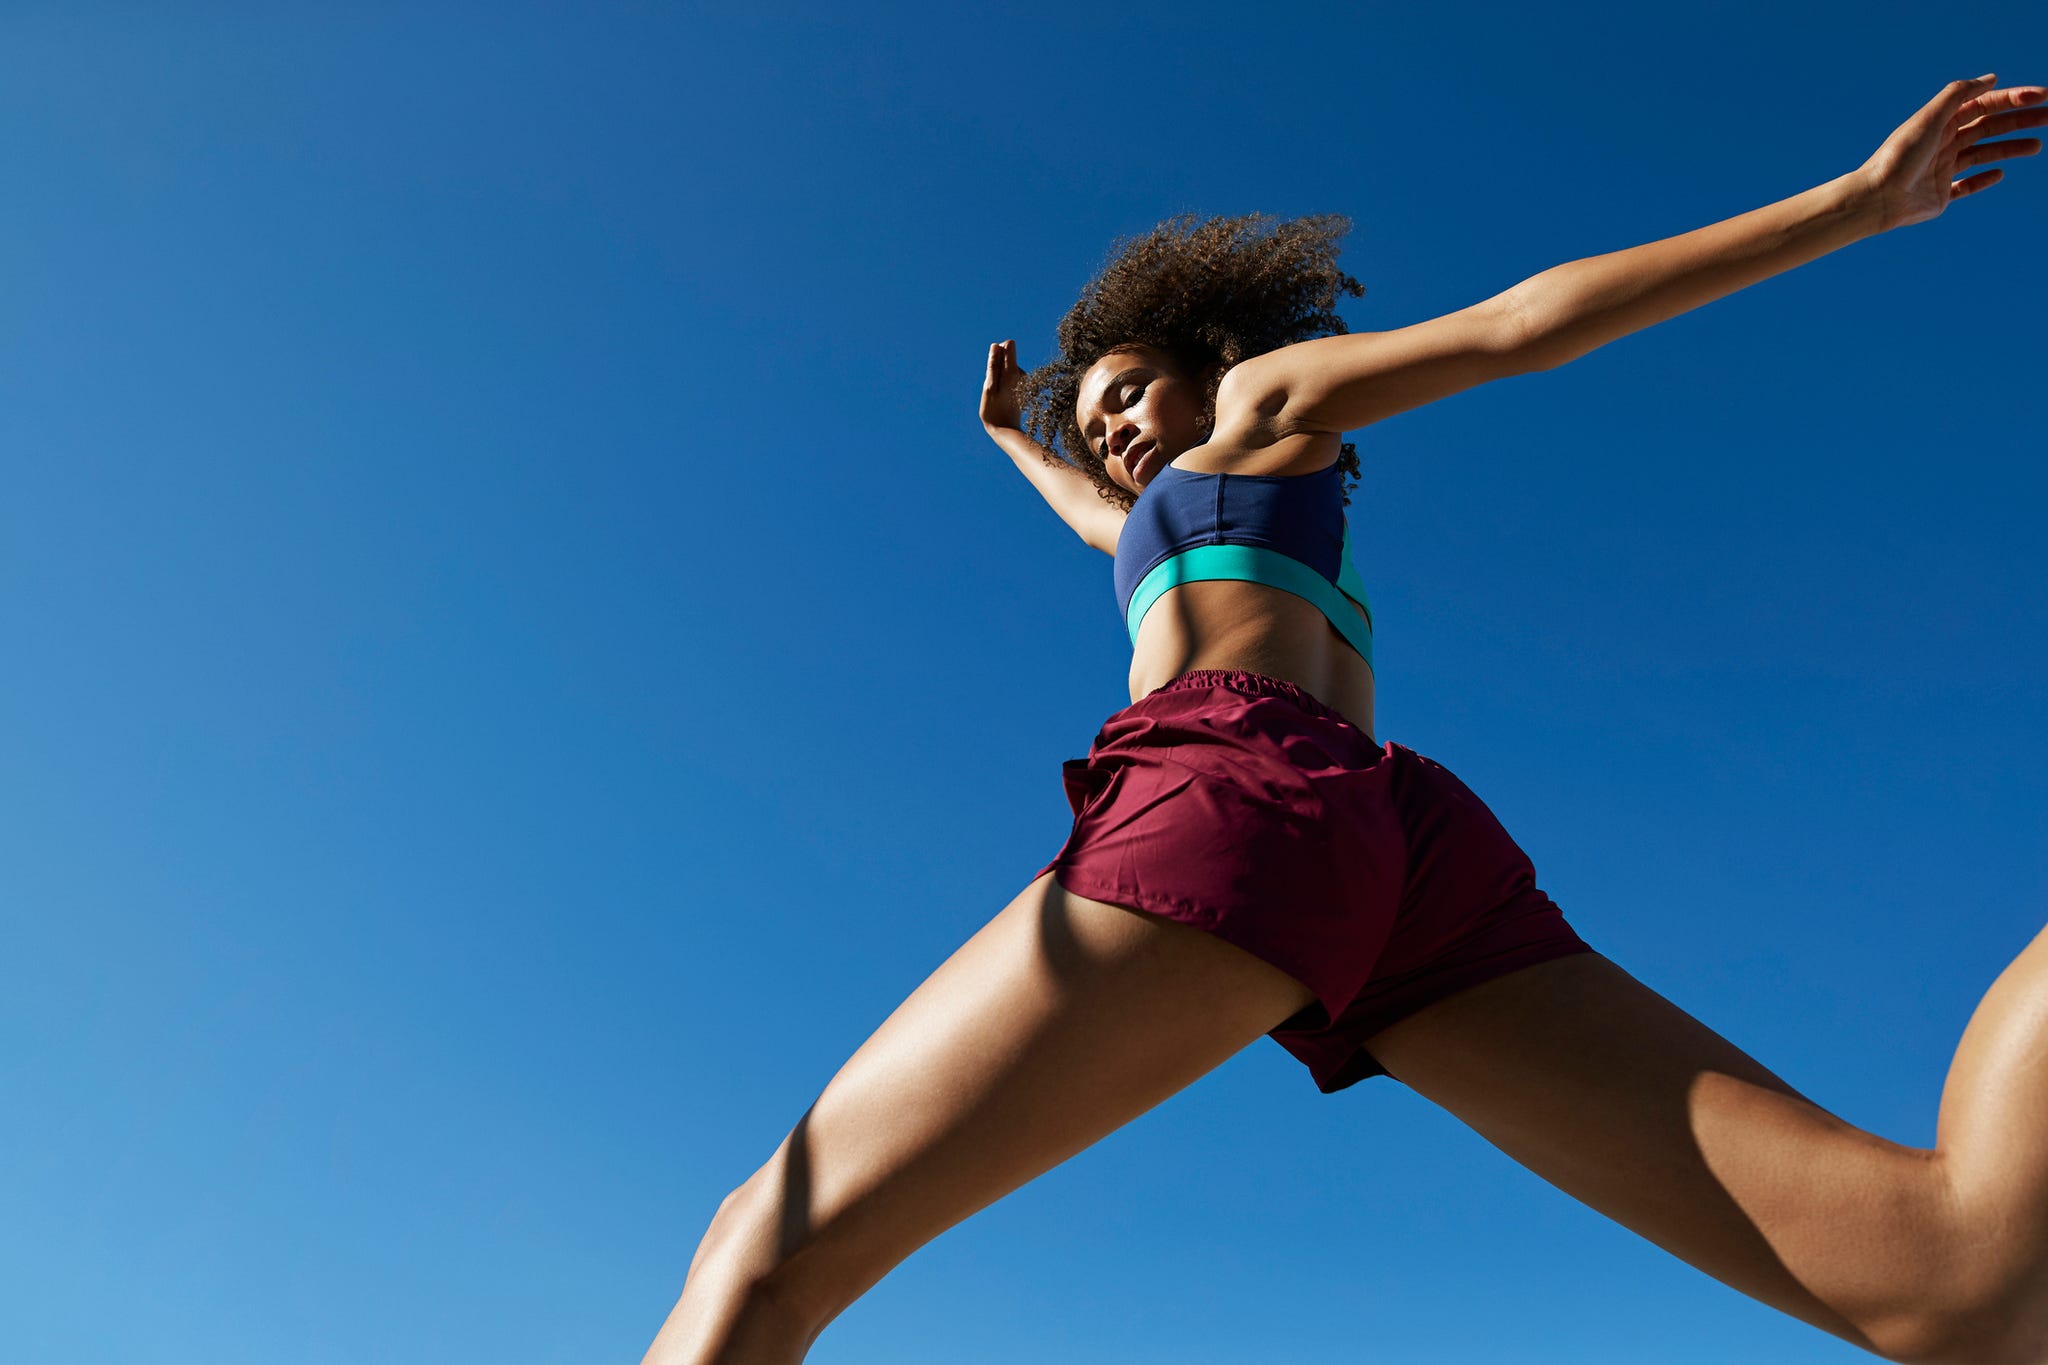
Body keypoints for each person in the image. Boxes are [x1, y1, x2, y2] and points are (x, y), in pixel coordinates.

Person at [648, 76, 2048, 1365]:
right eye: (1099, 422)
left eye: (1130, 389)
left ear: (1212, 358)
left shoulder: (1265, 407)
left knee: (761, 1251)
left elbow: (1520, 327)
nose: (1117, 428)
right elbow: (1100, 522)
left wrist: (1858, 202)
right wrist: (1019, 435)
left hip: (1237, 794)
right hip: (1399, 860)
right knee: (1953, 1278)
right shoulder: (1177, 527)